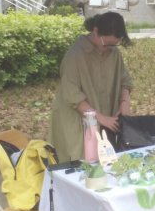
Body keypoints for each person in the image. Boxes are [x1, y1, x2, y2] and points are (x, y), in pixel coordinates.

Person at [49, 12, 134, 163]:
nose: (108, 49)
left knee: (107, 164)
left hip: (105, 120)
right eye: (106, 44)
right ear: (95, 31)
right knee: (83, 165)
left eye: (114, 45)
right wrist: (100, 118)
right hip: (77, 121)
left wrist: (124, 102)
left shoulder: (114, 53)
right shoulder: (74, 55)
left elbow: (125, 80)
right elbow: (72, 96)